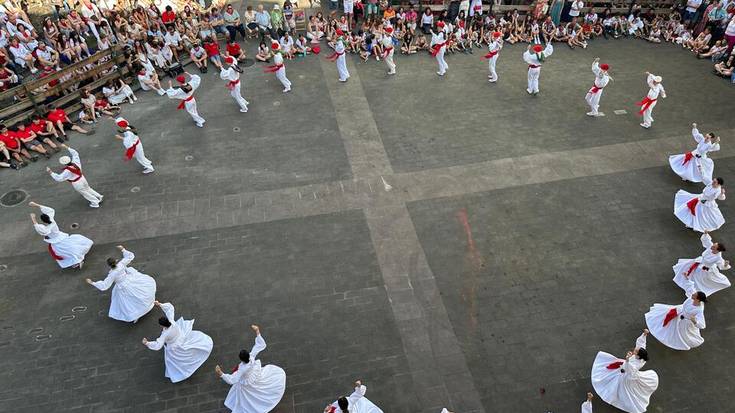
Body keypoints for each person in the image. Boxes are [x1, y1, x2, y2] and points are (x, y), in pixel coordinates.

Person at [214, 324, 287, 413]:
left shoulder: (242, 369)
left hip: (247, 380)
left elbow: (232, 379)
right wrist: (257, 331)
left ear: (241, 359)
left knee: (247, 393)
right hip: (253, 376)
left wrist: (221, 373)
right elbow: (259, 345)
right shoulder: (251, 357)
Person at [143, 301, 214, 383]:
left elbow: (158, 345)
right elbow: (170, 309)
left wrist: (147, 343)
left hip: (174, 345)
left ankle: (184, 368)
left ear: (162, 325)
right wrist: (160, 304)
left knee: (177, 359)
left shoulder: (165, 334)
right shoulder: (172, 322)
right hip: (180, 337)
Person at [590, 329, 659, 413]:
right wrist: (644, 335)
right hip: (625, 369)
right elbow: (641, 344)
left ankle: (613, 396)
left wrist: (627, 359)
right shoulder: (641, 356)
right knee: (616, 381)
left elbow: (629, 369)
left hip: (626, 374)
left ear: (638, 355)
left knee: (619, 385)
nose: (634, 350)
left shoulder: (637, 363)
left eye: (635, 352)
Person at [86, 246, 156, 323]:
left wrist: (92, 282)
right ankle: (143, 307)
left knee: (130, 301)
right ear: (116, 261)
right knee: (138, 294)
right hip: (129, 280)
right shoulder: (121, 264)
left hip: (122, 287)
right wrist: (123, 249)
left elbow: (104, 285)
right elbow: (130, 256)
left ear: (109, 265)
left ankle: (136, 314)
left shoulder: (112, 274)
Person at [29, 201, 93, 269]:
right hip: (61, 237)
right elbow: (50, 211)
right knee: (71, 247)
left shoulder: (48, 228)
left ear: (43, 221)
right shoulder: (52, 220)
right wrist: (36, 205)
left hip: (57, 241)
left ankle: (77, 261)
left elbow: (40, 229)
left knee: (66, 252)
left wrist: (33, 218)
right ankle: (77, 259)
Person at [673, 232, 731, 296]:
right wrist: (706, 234)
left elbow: (721, 266)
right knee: (687, 269)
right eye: (713, 244)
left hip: (705, 269)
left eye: (714, 246)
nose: (712, 246)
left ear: (717, 250)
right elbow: (707, 241)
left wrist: (725, 264)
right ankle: (685, 282)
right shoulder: (710, 247)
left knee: (699, 279)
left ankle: (694, 290)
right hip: (699, 262)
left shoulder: (718, 257)